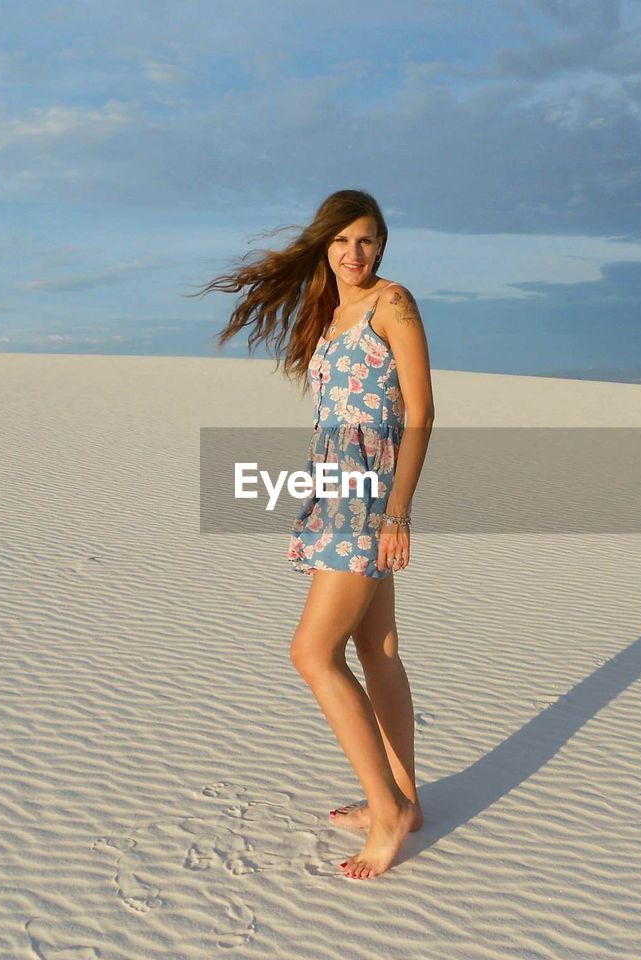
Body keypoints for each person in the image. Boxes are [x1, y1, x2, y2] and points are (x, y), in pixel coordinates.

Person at [196, 189, 435, 879]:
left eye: (366, 241)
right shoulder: (328, 314)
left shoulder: (394, 303)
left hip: (369, 499)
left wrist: (396, 509)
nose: (353, 254)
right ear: (325, 246)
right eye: (341, 242)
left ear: (382, 245)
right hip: (336, 492)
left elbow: (420, 411)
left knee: (311, 651)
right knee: (375, 648)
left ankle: (386, 814)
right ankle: (407, 802)